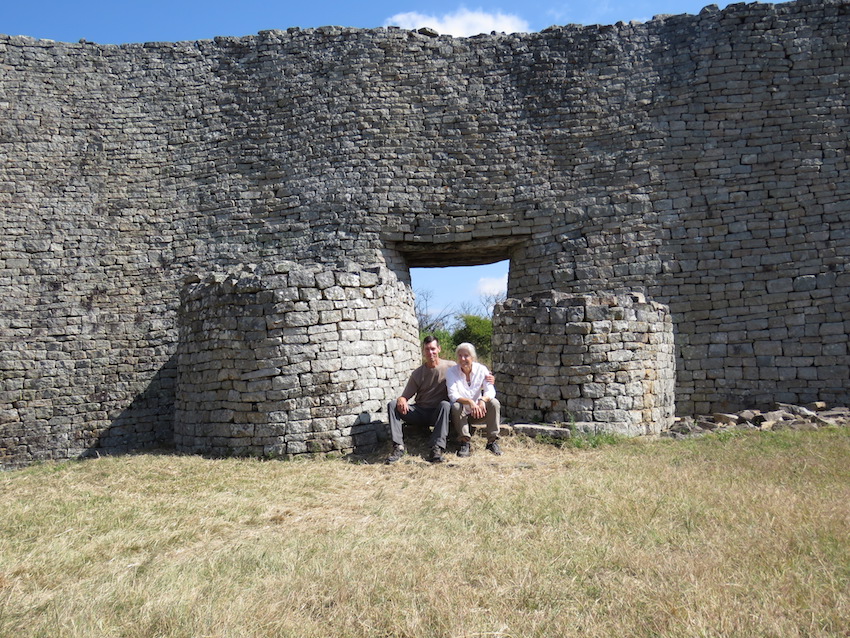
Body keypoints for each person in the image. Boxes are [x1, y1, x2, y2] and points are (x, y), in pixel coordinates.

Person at [385, 335, 453, 464]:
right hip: (420, 411)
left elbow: (468, 374)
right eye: (427, 349)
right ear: (423, 351)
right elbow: (405, 396)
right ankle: (398, 447)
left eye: (433, 349)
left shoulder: (451, 367)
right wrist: (401, 399)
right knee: (393, 405)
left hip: (438, 413)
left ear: (439, 349)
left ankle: (436, 448)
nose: (430, 352)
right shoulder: (417, 373)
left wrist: (487, 378)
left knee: (445, 405)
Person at [446, 342, 502, 457]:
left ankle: (492, 441)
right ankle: (464, 442)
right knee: (456, 405)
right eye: (460, 356)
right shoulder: (451, 372)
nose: (463, 359)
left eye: (466, 356)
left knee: (494, 403)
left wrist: (482, 400)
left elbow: (490, 391)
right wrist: (470, 402)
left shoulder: (482, 369)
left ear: (473, 357)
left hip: (479, 412)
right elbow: (453, 395)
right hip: (461, 414)